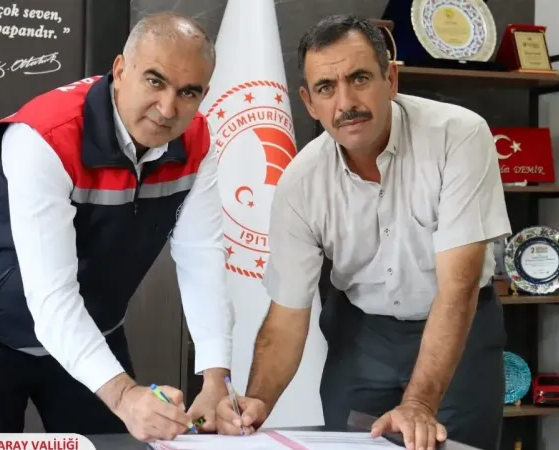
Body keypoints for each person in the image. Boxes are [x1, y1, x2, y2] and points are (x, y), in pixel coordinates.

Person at [216, 14, 512, 450]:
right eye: (326, 88)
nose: (346, 103)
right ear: (308, 102)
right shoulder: (300, 182)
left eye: (359, 79)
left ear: (390, 79)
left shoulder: (460, 136)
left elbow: (459, 287)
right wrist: (257, 401)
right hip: (361, 338)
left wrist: (419, 404)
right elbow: (287, 315)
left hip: (460, 328)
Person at [0, 12, 234, 442]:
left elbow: (202, 257)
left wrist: (216, 379)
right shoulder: (44, 135)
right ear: (120, 71)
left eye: (188, 92)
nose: (168, 109)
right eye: (155, 81)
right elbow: (52, 296)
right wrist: (125, 396)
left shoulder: (198, 142)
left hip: (93, 326)